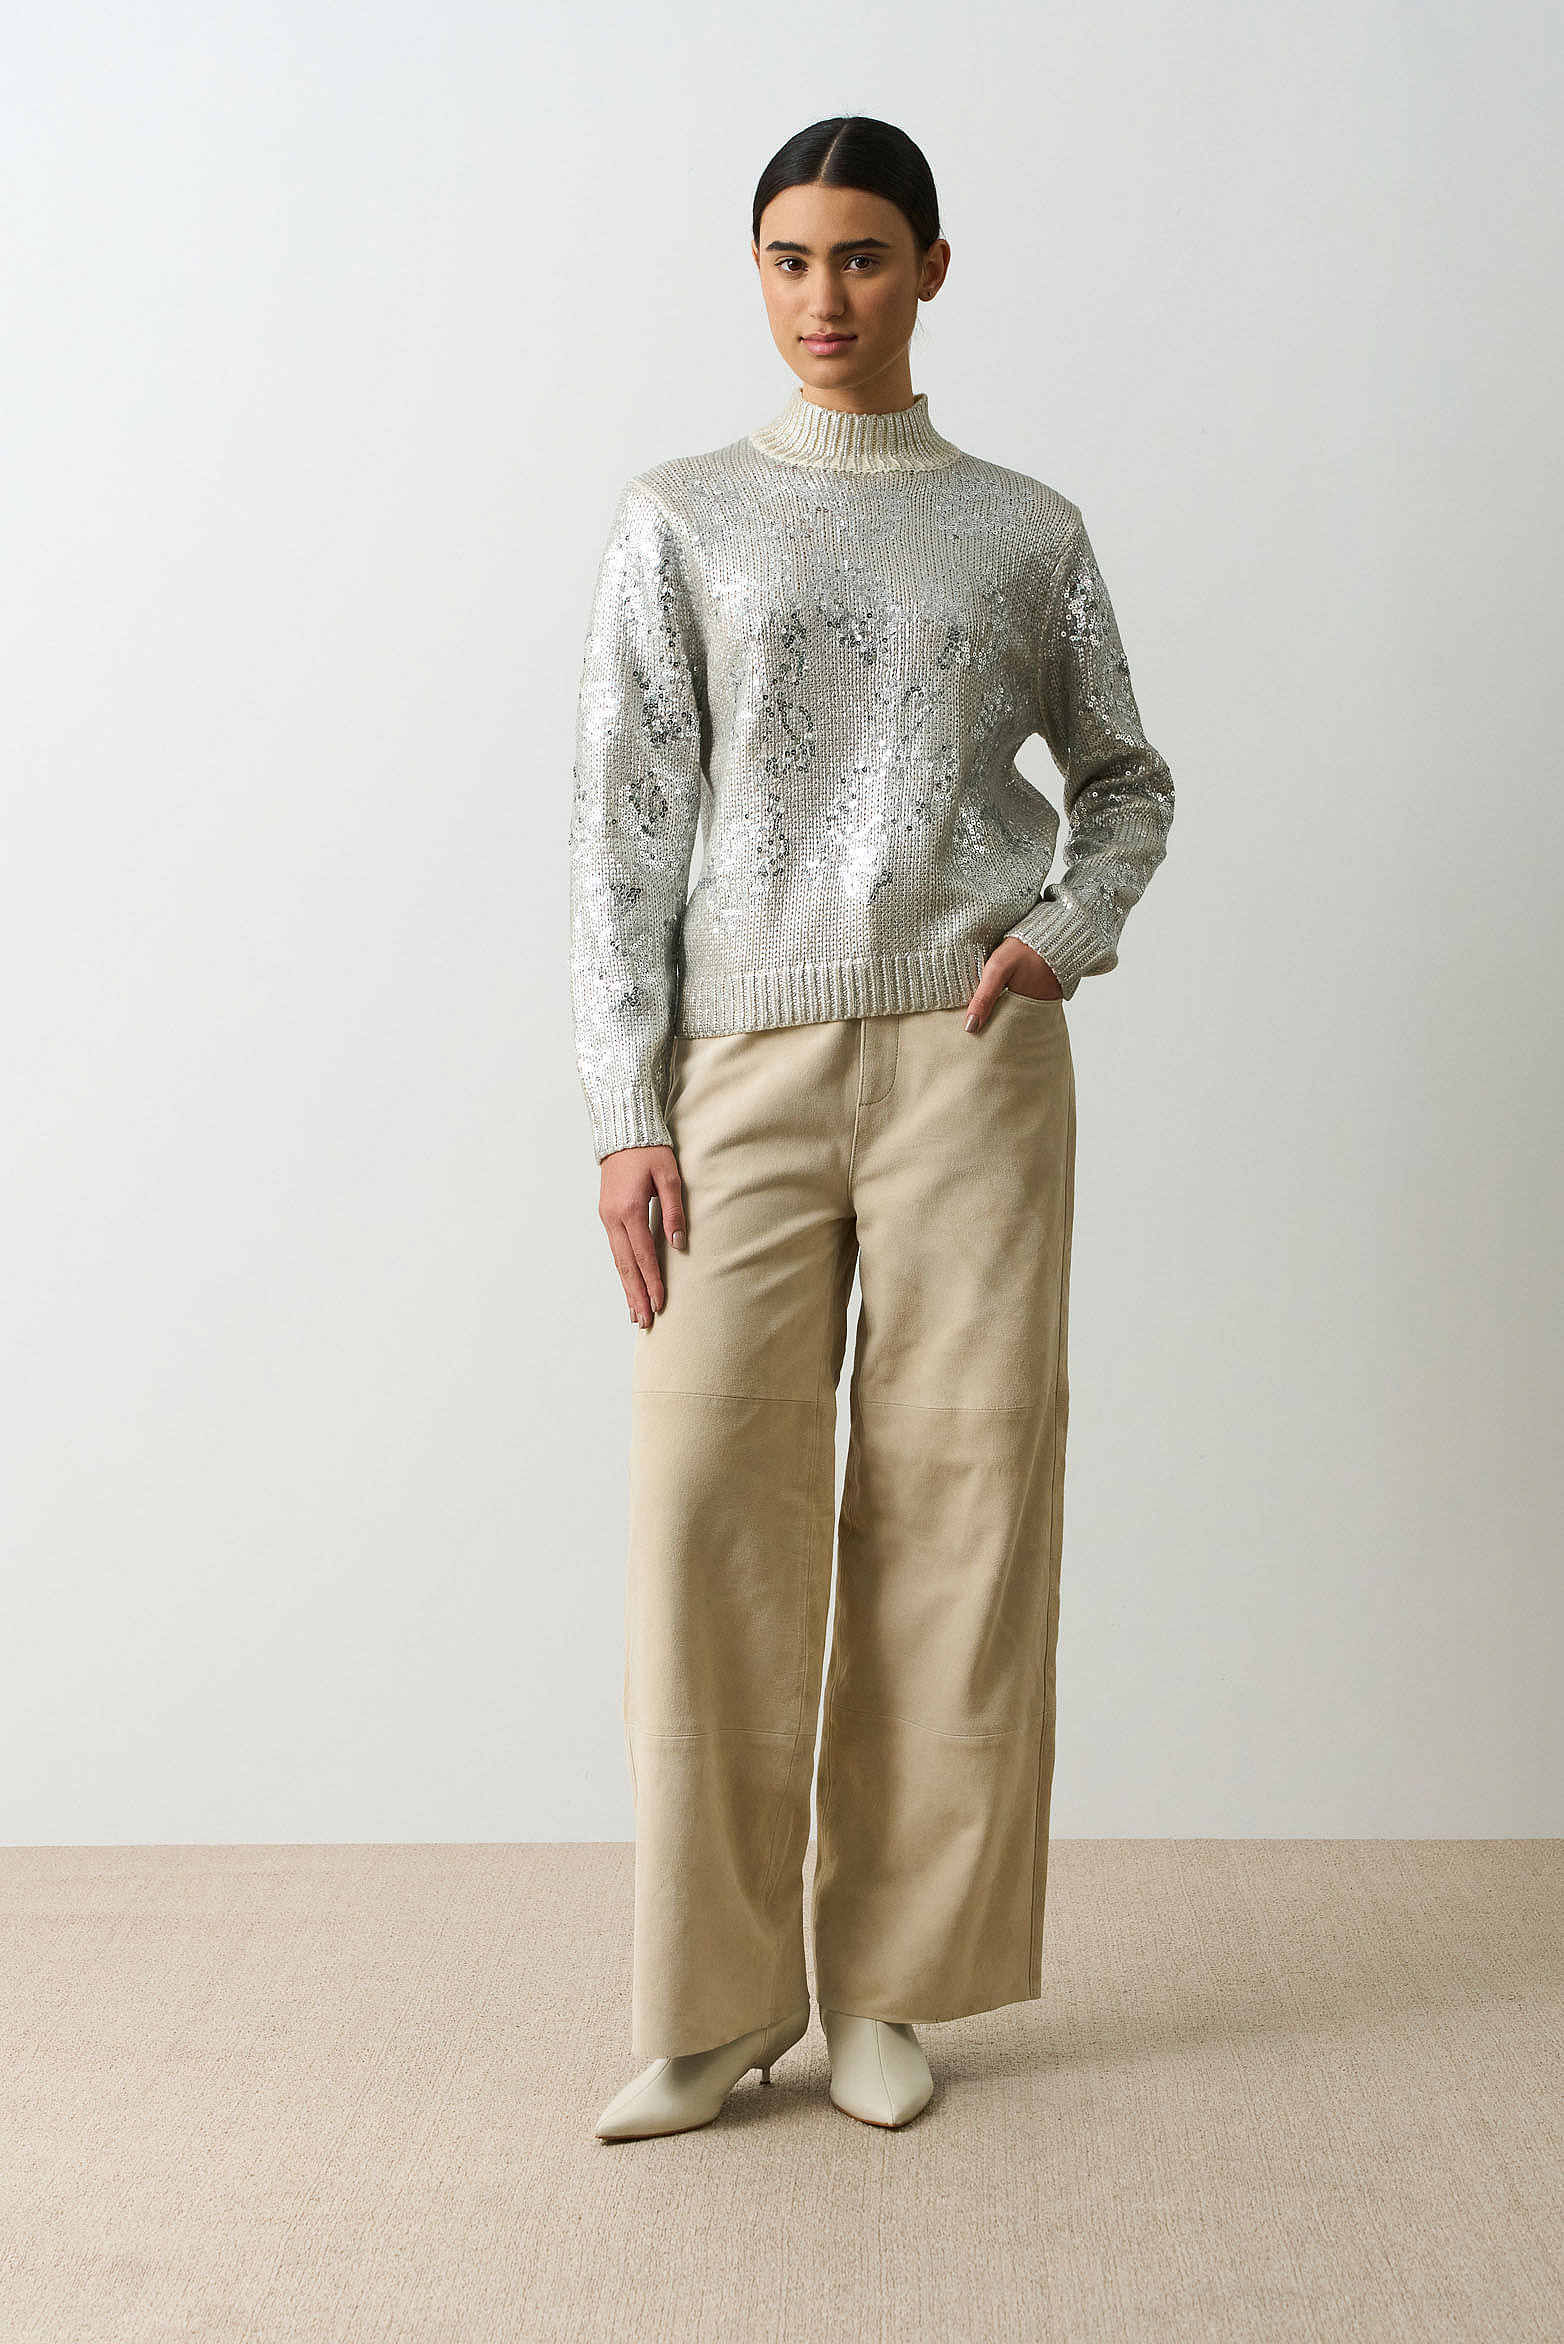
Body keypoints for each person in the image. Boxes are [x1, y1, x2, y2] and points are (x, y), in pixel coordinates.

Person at [569, 115, 1173, 2141]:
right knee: (704, 1506)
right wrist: (622, 1107)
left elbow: (1125, 777)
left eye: (858, 256)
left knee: (957, 1505)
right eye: (786, 257)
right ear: (755, 271)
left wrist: (1065, 930)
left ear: (930, 266)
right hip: (735, 1071)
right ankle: (712, 2001)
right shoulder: (681, 519)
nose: (821, 295)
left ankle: (894, 1984)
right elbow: (622, 829)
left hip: (968, 1059)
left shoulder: (1020, 530)